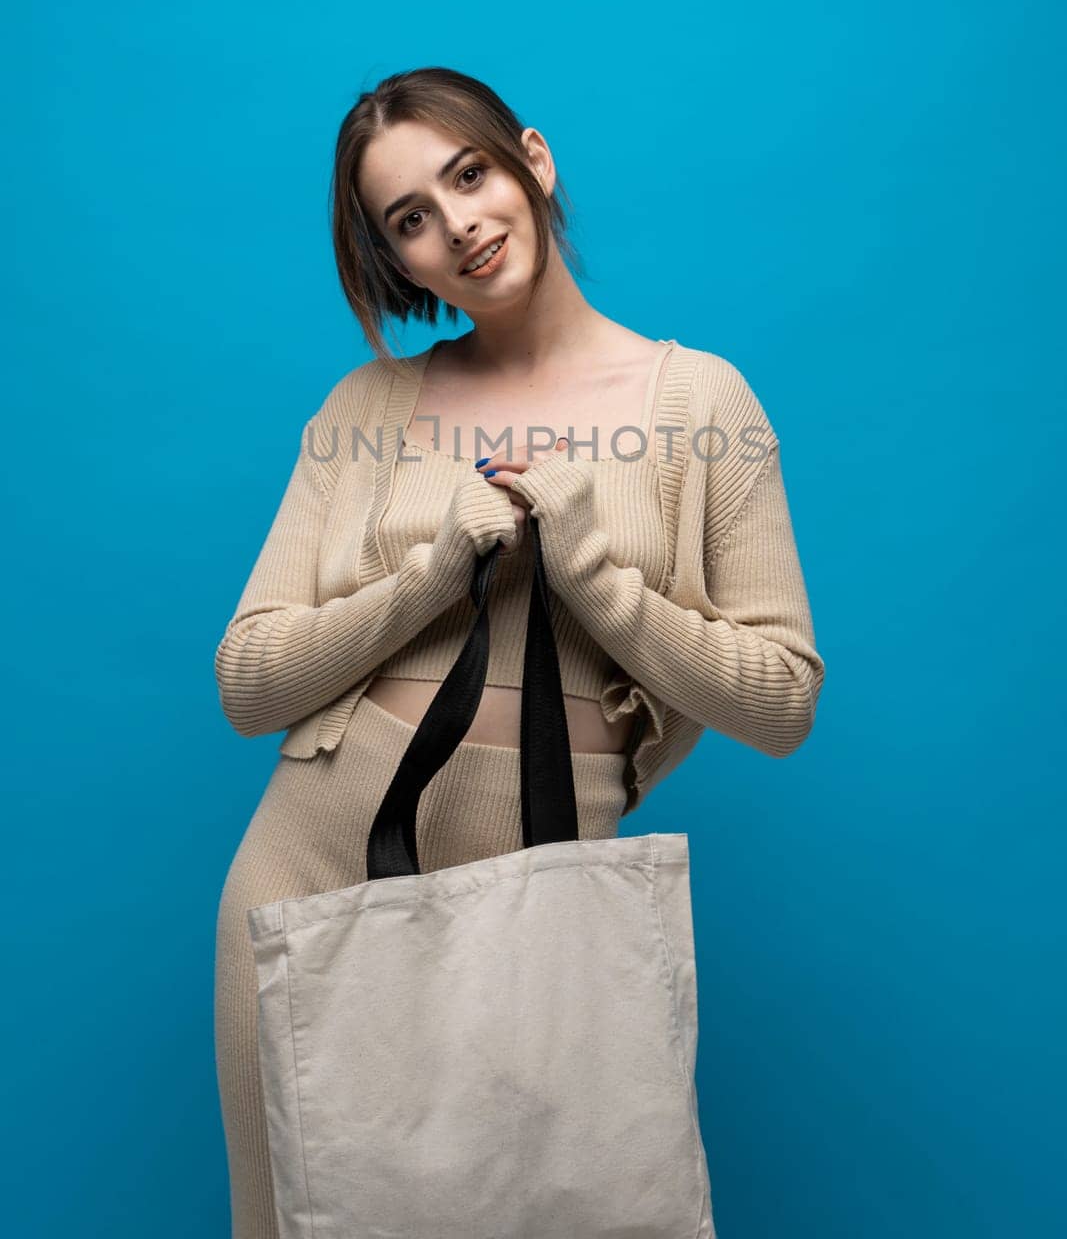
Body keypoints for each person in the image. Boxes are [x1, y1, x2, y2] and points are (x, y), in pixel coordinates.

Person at [212, 65, 825, 1238]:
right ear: (400, 262)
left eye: (469, 174)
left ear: (531, 162)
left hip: (542, 911)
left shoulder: (700, 404)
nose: (459, 227)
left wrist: (595, 576)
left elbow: (782, 702)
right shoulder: (365, 409)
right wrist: (430, 574)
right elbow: (248, 682)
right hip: (309, 874)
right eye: (411, 220)